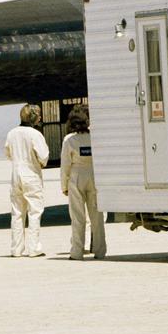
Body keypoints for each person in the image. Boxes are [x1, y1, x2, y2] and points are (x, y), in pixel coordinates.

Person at [60, 103, 106, 260]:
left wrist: (64, 186)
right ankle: (100, 251)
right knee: (97, 216)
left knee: (78, 217)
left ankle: (77, 252)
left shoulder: (69, 140)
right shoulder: (95, 137)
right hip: (94, 175)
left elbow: (65, 165)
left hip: (76, 176)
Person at [5, 103, 50, 256]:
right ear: (34, 117)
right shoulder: (35, 134)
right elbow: (43, 156)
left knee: (17, 212)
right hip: (31, 174)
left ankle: (16, 248)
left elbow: (8, 153)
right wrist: (40, 164)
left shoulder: (12, 133)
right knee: (35, 211)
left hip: (16, 173)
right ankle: (34, 248)